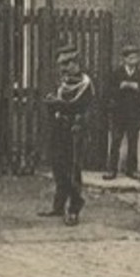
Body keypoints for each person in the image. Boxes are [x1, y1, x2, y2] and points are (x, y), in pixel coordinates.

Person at [41, 45, 95, 225]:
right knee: (58, 168)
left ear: (76, 63)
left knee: (72, 170)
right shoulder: (63, 82)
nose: (63, 69)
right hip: (60, 129)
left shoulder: (85, 84)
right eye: (62, 65)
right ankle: (58, 206)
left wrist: (57, 104)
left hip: (75, 131)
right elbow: (58, 102)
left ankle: (74, 208)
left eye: (67, 64)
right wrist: (52, 102)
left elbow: (80, 107)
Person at [103, 45, 140, 180]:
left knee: (133, 142)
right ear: (124, 59)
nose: (134, 60)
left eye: (135, 57)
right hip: (119, 113)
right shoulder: (116, 74)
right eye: (130, 58)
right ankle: (112, 170)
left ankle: (132, 169)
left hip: (135, 113)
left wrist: (138, 87)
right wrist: (120, 87)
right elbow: (108, 92)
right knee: (116, 141)